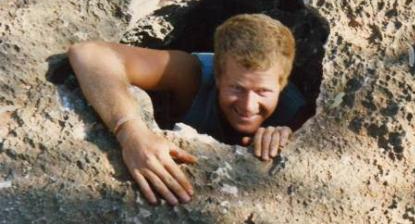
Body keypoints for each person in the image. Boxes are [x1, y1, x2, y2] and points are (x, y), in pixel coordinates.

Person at [68, 14, 308, 206]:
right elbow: (89, 54)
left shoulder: (298, 113)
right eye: (236, 88)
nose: (248, 106)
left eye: (263, 92)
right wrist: (131, 132)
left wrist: (292, 136)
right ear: (217, 75)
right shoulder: (193, 74)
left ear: (282, 83)